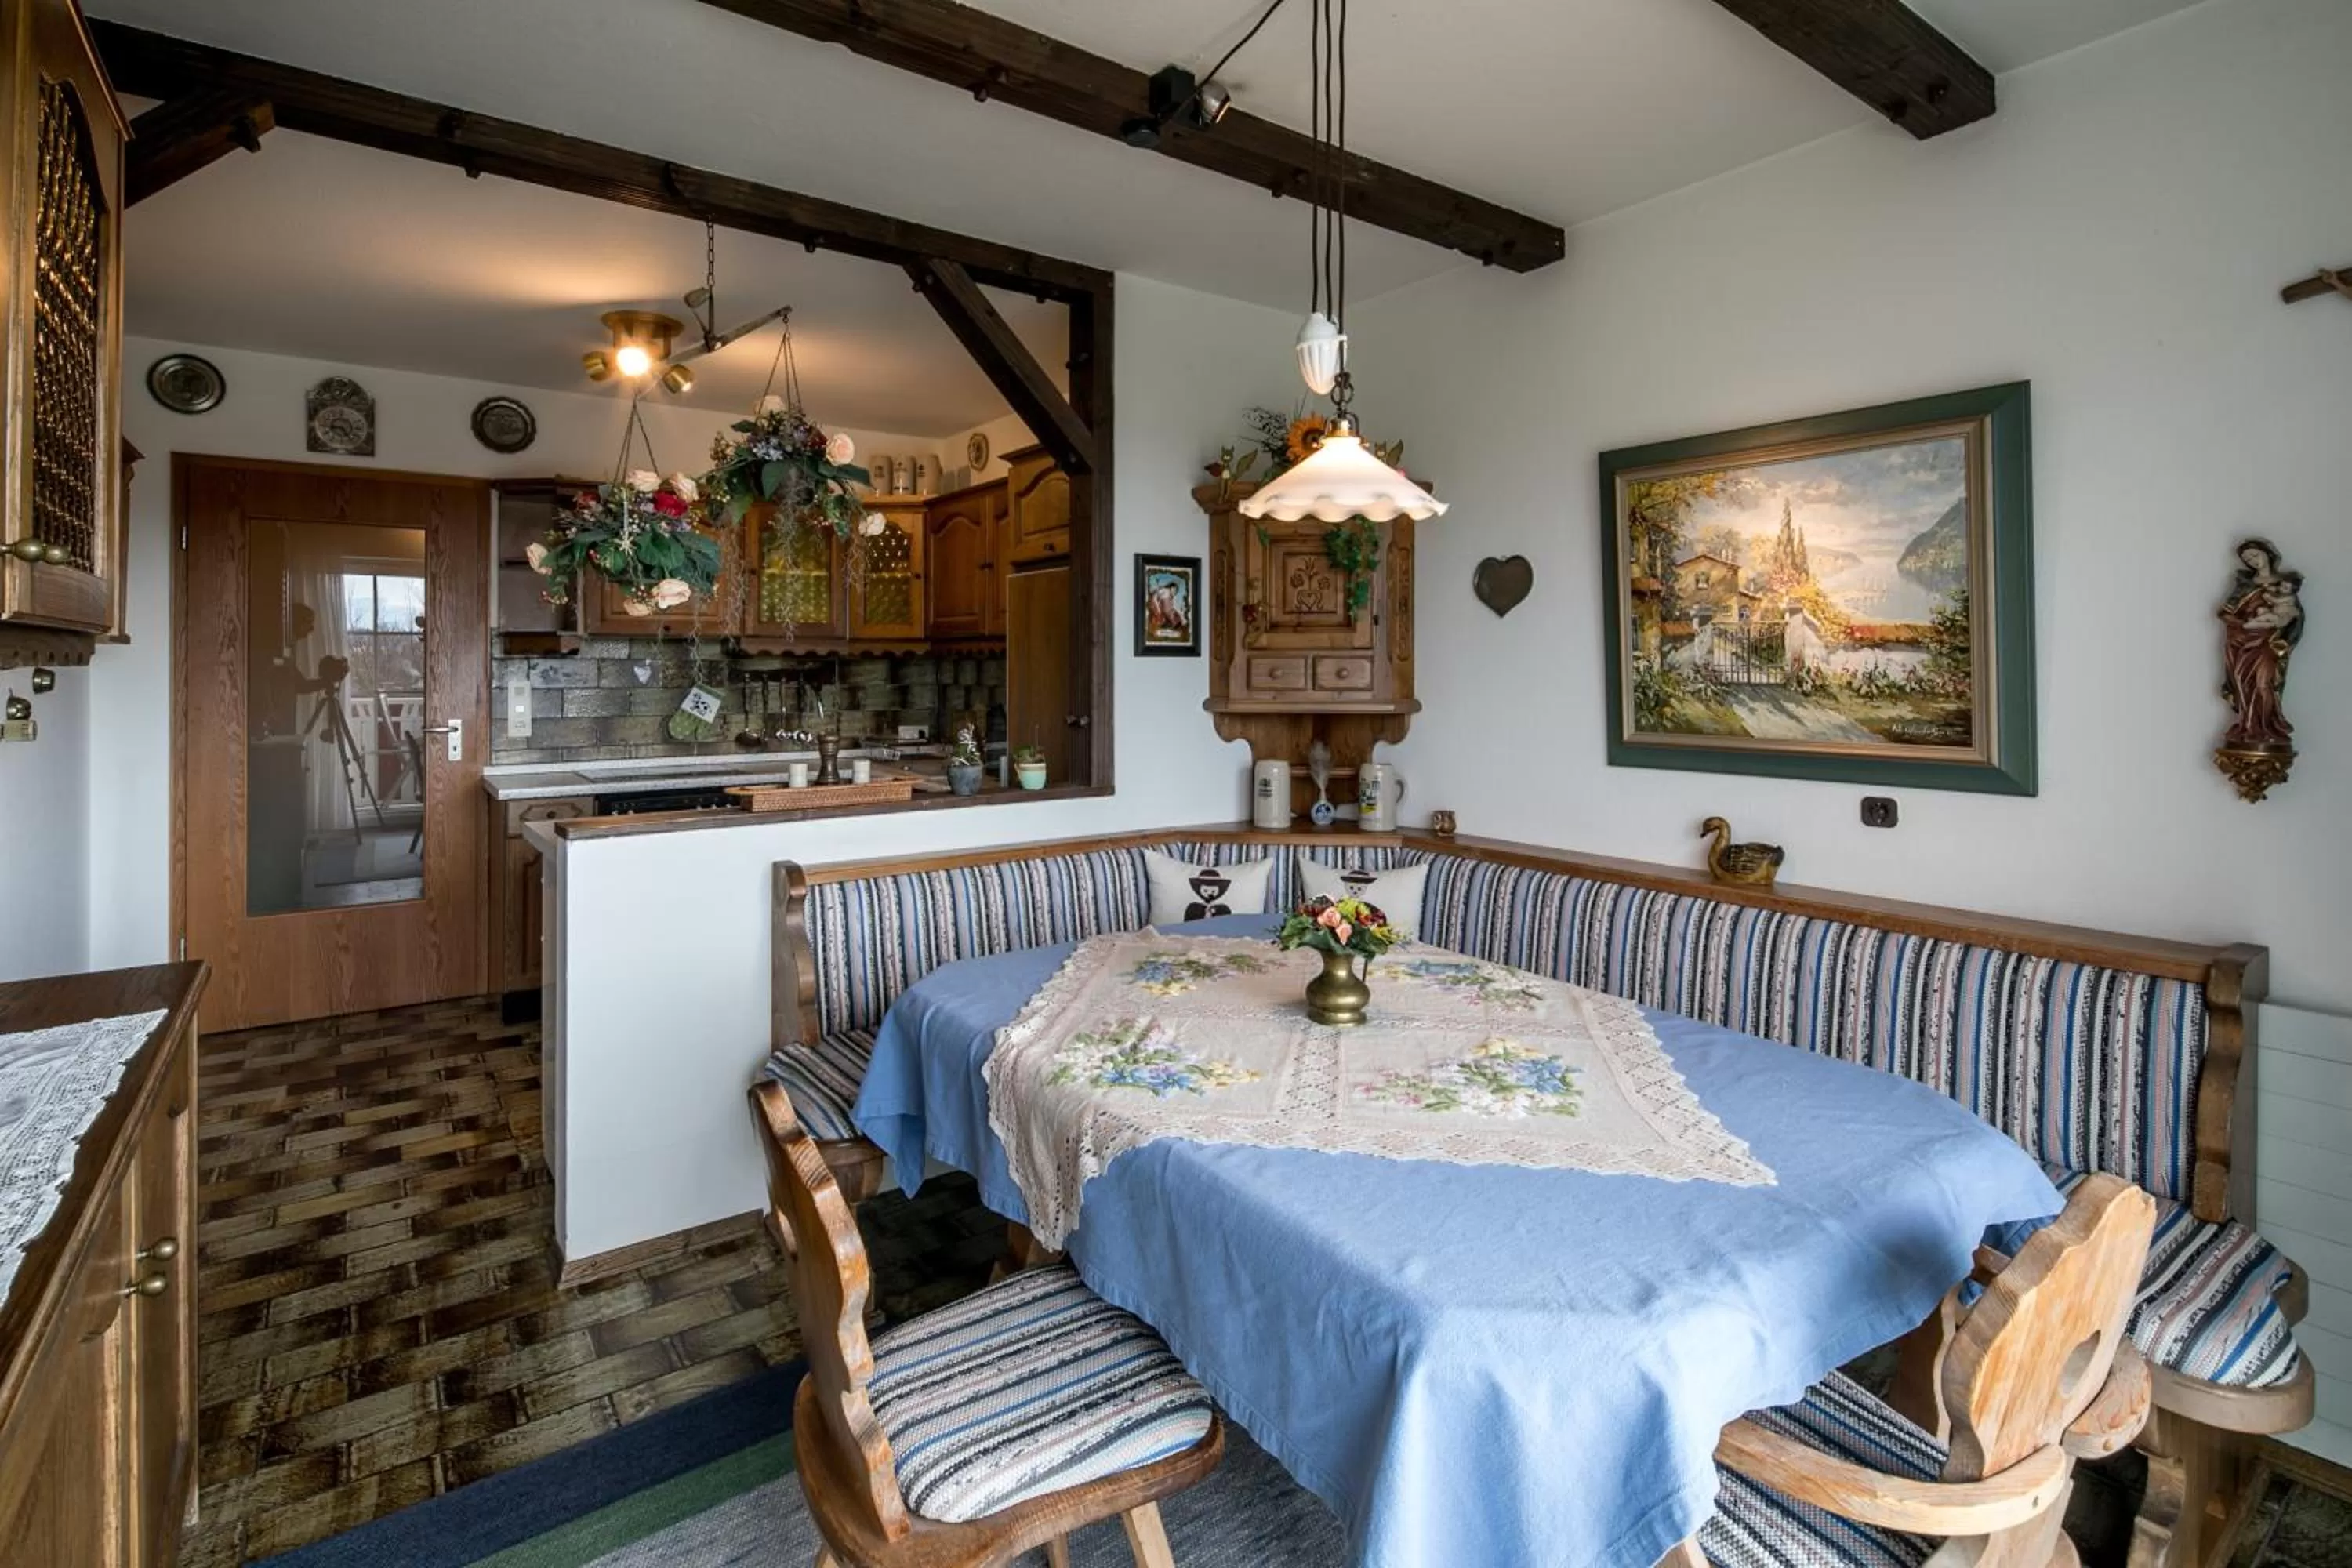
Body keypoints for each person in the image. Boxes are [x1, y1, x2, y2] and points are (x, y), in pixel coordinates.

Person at [2218, 539, 2303, 749]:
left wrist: (2284, 624)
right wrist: (2242, 624)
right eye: (2248, 559)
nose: (2253, 561)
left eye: (2256, 555)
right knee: (2241, 682)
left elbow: (2296, 617)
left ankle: (2267, 728)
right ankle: (2248, 726)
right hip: (2241, 643)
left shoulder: (2285, 586)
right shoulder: (2245, 585)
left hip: (2268, 644)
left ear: (2268, 553)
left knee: (2265, 684)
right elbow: (2225, 613)